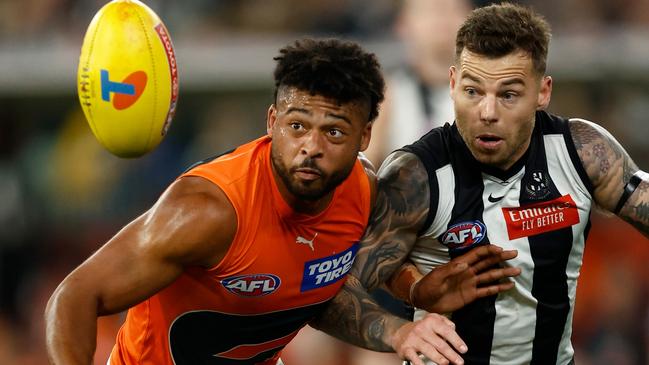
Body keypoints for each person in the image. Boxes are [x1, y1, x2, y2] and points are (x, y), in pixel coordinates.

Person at [44, 38, 517, 365]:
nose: (311, 146)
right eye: (297, 126)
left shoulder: (364, 194)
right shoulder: (207, 211)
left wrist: (410, 302)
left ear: (364, 137)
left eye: (333, 131)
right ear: (272, 121)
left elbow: (317, 291)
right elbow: (74, 297)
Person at [312, 3, 649, 365]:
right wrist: (401, 325)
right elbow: (327, 290)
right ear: (454, 83)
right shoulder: (415, 176)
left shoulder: (582, 152)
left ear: (543, 92)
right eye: (473, 92)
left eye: (508, 94)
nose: (487, 112)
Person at [364, 0, 470, 167]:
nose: (443, 20)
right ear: (402, 25)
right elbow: (360, 173)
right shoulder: (385, 96)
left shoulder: (495, 91)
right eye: (431, 10)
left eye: (454, 9)